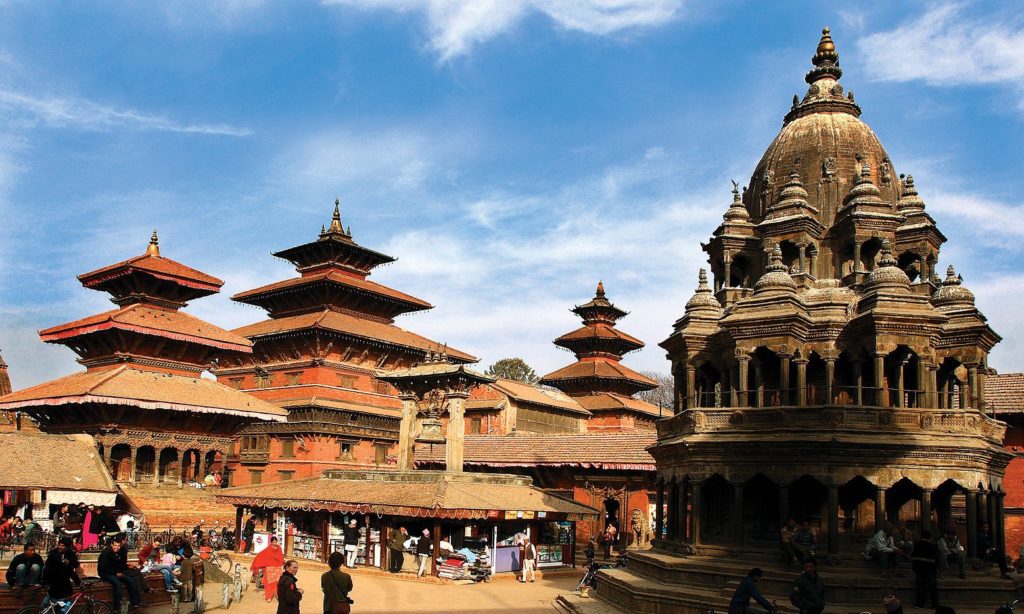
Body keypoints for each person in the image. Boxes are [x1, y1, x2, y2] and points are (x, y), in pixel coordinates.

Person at [97, 539, 143, 611]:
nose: (116, 547)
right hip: (105, 573)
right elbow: (104, 567)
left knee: (130, 580)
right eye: (115, 545)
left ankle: (135, 602)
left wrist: (128, 566)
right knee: (117, 583)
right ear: (112, 545)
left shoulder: (118, 553)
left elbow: (120, 565)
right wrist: (115, 573)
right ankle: (116, 607)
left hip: (115, 572)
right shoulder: (105, 553)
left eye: (118, 546)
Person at [42, 538, 81, 608]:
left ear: (67, 547)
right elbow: (48, 566)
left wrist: (69, 562)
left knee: (66, 600)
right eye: (60, 545)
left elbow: (76, 565)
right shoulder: (53, 553)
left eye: (63, 546)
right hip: (54, 578)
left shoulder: (70, 554)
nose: (61, 547)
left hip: (65, 580)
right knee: (54, 599)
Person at [910, 529, 939, 609]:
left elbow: (913, 556)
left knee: (920, 586)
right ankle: (934, 604)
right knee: (932, 586)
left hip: (919, 567)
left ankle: (920, 604)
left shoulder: (917, 544)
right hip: (930, 568)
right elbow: (936, 557)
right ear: (930, 536)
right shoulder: (933, 545)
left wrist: (914, 567)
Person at [252, 535, 286, 602]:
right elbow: (261, 555)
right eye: (273, 542)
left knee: (278, 583)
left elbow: (280, 557)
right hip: (269, 568)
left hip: (277, 568)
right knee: (268, 584)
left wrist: (282, 562)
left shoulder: (279, 548)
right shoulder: (268, 549)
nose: (274, 543)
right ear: (271, 542)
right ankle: (269, 597)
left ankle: (279, 596)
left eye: (275, 542)